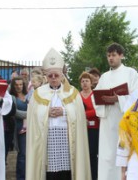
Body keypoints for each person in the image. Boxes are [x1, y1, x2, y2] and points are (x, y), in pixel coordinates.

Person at [26, 48, 91, 180]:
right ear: (46, 76)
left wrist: (64, 111)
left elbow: (79, 115)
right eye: (50, 76)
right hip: (47, 138)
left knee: (66, 171)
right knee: (50, 172)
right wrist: (46, 112)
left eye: (56, 75)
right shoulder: (38, 94)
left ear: (62, 75)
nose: (54, 78)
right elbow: (32, 117)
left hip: (67, 139)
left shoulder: (72, 92)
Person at [93, 43, 138, 180]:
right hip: (107, 123)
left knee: (123, 155)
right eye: (108, 55)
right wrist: (103, 100)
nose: (111, 58)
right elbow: (94, 98)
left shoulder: (131, 73)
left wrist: (118, 99)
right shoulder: (104, 77)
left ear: (121, 55)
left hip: (123, 122)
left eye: (114, 55)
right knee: (107, 157)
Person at [79, 72, 99, 180]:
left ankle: (94, 177)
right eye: (82, 81)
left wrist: (83, 115)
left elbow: (98, 111)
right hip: (81, 129)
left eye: (87, 81)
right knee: (82, 154)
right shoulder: (77, 95)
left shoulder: (95, 95)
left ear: (91, 83)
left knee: (92, 154)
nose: (85, 83)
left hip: (94, 129)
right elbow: (75, 111)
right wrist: (82, 118)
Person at [12, 76, 30, 180]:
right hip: (19, 128)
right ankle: (20, 177)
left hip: (30, 127)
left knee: (28, 154)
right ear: (13, 86)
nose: (19, 87)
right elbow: (15, 113)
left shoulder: (27, 96)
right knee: (22, 154)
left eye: (21, 84)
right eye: (16, 85)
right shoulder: (12, 97)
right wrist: (30, 114)